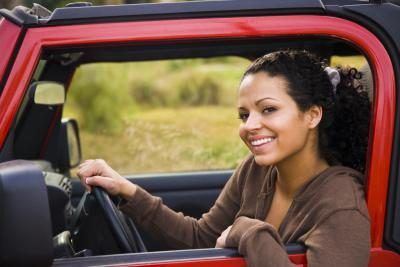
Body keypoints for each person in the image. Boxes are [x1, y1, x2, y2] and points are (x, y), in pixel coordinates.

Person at [78, 50, 371, 266]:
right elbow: (202, 240)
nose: (249, 126)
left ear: (312, 115)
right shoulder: (256, 171)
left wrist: (248, 232)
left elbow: (241, 233)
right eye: (244, 115)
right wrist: (125, 191)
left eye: (268, 109)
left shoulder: (341, 205)